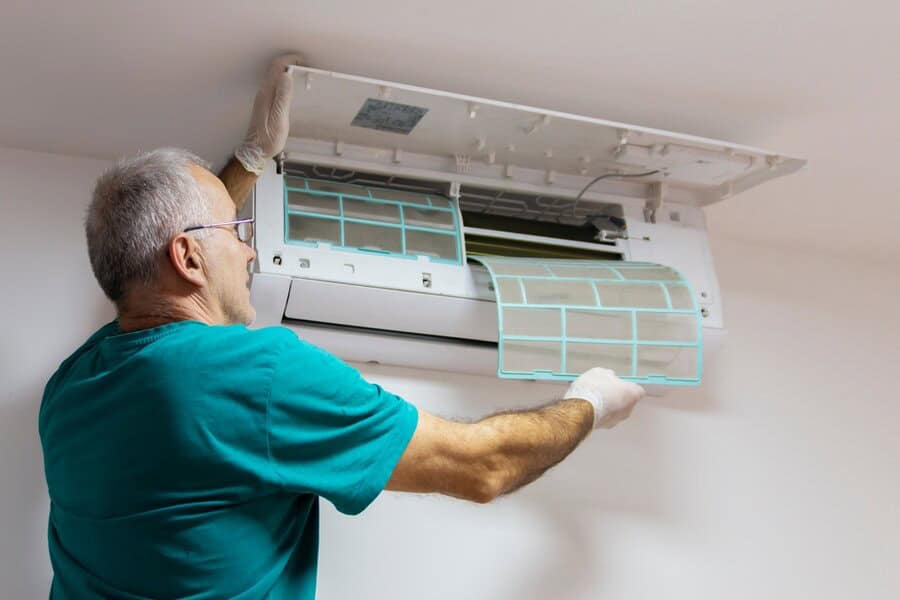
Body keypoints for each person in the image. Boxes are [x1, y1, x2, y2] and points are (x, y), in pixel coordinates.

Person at [39, 54, 644, 599]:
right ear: (191, 259)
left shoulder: (71, 389)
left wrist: (250, 160)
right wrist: (589, 402)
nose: (250, 252)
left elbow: (158, 259)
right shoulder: (257, 376)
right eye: (237, 232)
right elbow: (483, 466)